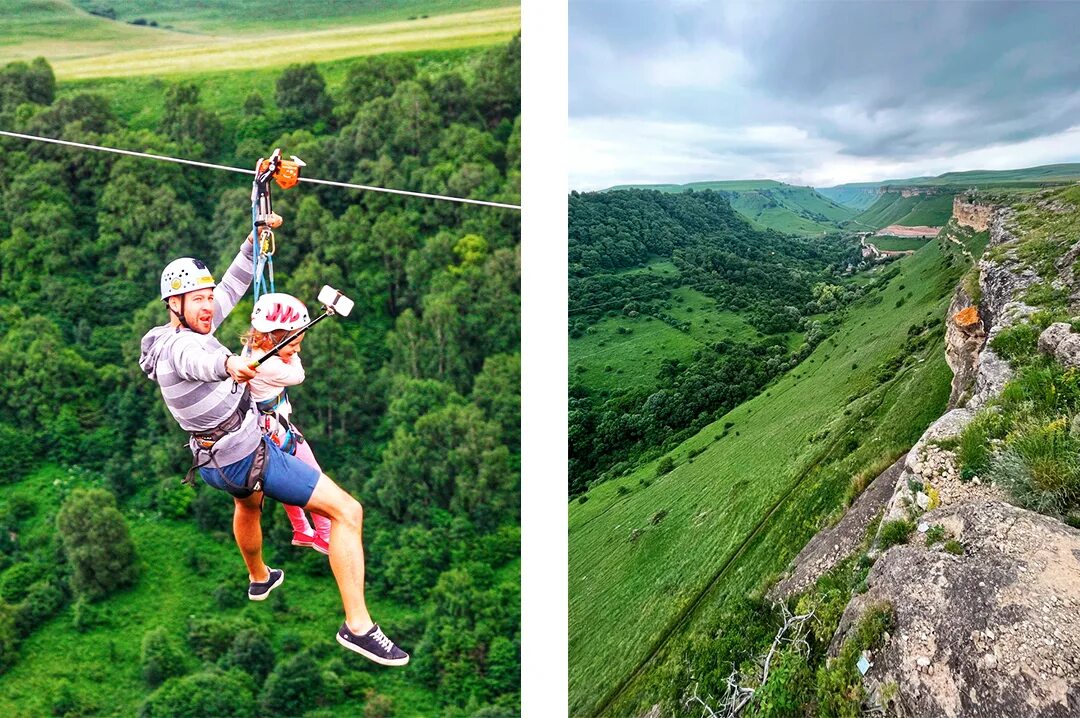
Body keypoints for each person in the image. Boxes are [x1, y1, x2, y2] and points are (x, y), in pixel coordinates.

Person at [138, 234, 408, 666]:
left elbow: (232, 286)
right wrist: (229, 365)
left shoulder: (192, 325)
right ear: (174, 304)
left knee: (248, 507)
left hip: (213, 462)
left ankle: (259, 576)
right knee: (348, 512)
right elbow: (199, 361)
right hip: (248, 456)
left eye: (208, 298)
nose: (209, 306)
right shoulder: (178, 347)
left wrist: (254, 242)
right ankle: (358, 626)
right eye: (197, 300)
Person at [242, 292, 331, 555]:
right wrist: (289, 357)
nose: (298, 350)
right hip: (279, 431)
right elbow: (299, 375)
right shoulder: (268, 366)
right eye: (294, 344)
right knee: (314, 476)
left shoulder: (252, 350)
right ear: (274, 338)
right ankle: (324, 536)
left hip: (268, 431)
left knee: (286, 481)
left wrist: (285, 349)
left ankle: (302, 530)